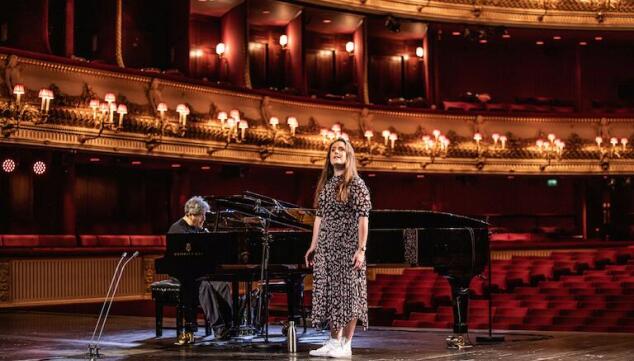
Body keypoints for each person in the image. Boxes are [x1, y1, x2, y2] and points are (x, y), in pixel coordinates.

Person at [304, 138, 371, 358]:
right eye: (333, 150)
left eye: (341, 149)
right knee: (331, 293)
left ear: (349, 155)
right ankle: (334, 341)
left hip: (348, 245)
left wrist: (361, 249)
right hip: (326, 246)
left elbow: (363, 218)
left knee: (350, 294)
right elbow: (319, 218)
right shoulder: (326, 185)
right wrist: (313, 246)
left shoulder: (356, 183)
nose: (336, 152)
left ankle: (346, 344)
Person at [168, 196, 233, 345]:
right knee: (205, 287)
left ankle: (232, 323)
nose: (204, 218)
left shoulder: (198, 229)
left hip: (198, 273)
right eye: (202, 215)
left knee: (221, 284)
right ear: (191, 214)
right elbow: (179, 261)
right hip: (182, 275)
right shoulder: (177, 230)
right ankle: (219, 328)